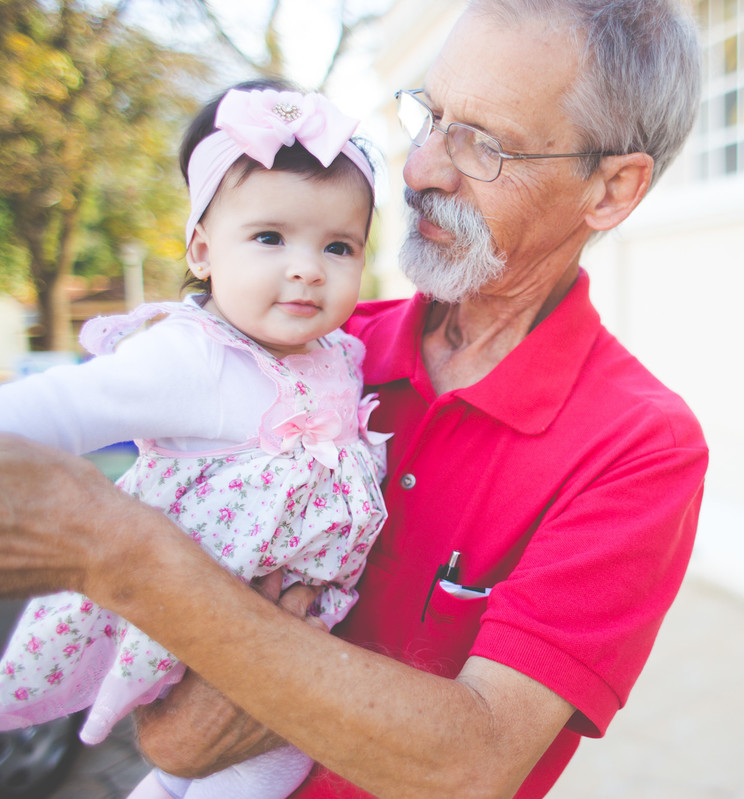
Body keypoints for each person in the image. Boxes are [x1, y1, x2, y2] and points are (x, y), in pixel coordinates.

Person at [0, 1, 707, 797]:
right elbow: (172, 735)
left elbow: (471, 761)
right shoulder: (313, 352)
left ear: (611, 189)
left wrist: (122, 552)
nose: (419, 169)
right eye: (432, 116)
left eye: (481, 143)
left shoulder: (639, 446)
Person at [0, 83, 388, 799]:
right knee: (241, 767)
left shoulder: (338, 354)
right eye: (270, 238)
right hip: (198, 618)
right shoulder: (193, 356)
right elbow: (59, 407)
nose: (307, 266)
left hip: (285, 636)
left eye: (338, 246)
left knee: (216, 769)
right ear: (204, 251)